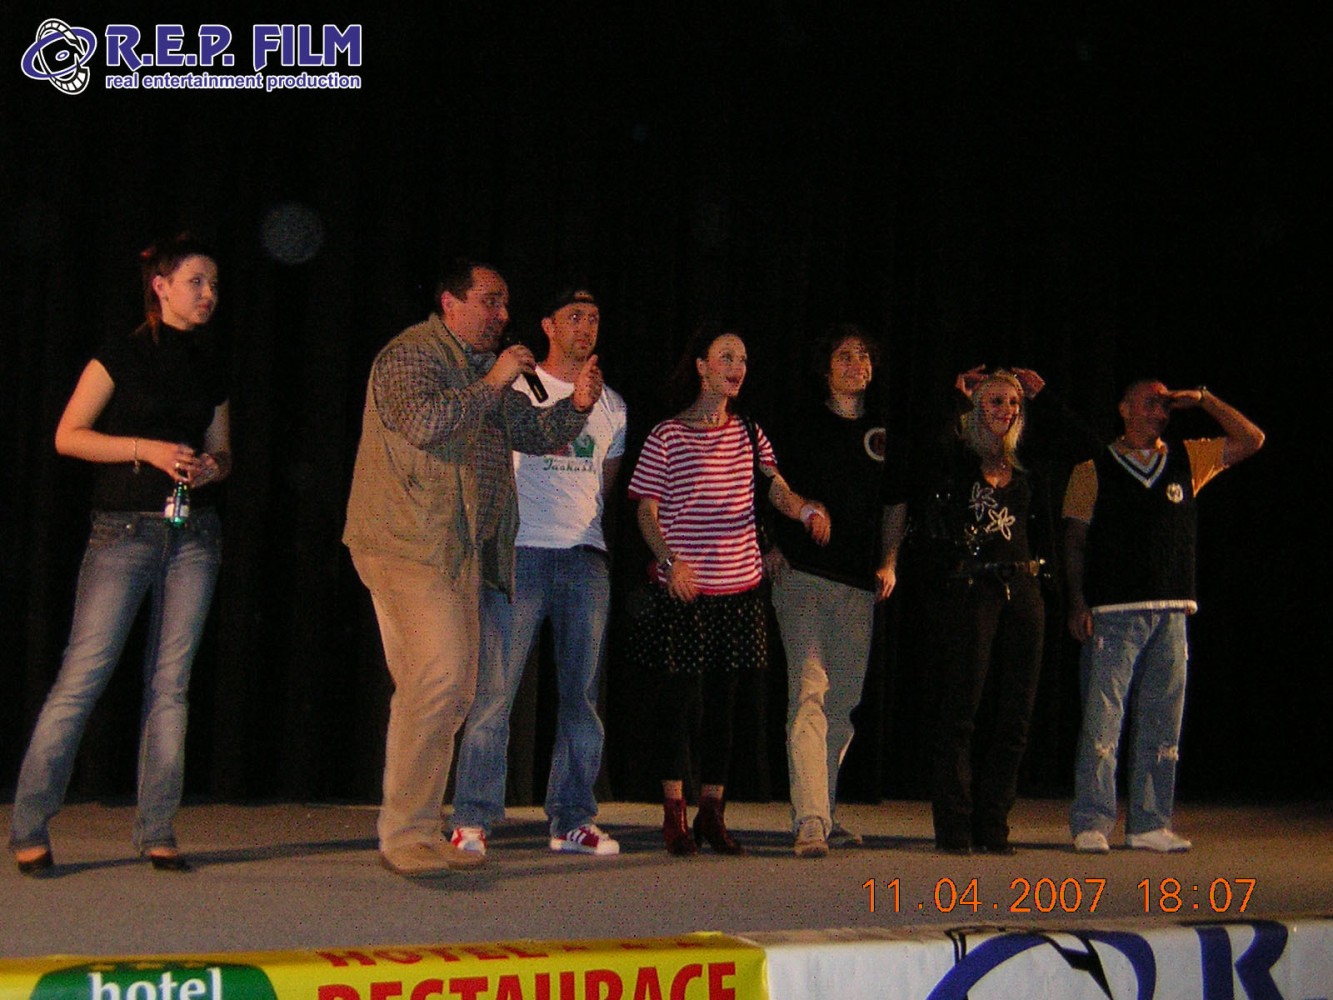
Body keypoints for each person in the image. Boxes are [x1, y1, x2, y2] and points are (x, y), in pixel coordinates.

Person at [343, 259, 603, 878]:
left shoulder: (478, 368)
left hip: (459, 549)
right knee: (435, 680)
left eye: (505, 303)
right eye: (491, 301)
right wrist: (495, 379)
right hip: (407, 542)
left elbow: (533, 432)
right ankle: (404, 834)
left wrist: (578, 407)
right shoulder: (410, 356)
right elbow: (428, 423)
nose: (503, 315)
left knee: (454, 691)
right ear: (450, 303)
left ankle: (420, 827)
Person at [10, 235, 231, 875]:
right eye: (196, 282)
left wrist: (211, 466)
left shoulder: (212, 363)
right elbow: (68, 436)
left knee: (172, 685)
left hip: (194, 534)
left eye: (214, 285)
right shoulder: (120, 353)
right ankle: (29, 825)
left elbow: (224, 450)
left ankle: (157, 827)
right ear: (161, 286)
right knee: (83, 677)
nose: (208, 294)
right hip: (123, 532)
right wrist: (147, 449)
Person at [627, 323, 830, 856]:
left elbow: (776, 489)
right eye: (725, 357)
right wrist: (670, 562)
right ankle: (674, 813)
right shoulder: (667, 435)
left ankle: (712, 813)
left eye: (741, 358)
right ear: (701, 366)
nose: (736, 367)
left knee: (726, 707)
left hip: (740, 590)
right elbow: (646, 511)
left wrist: (805, 509)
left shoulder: (749, 432)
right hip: (686, 589)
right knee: (679, 706)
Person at [449, 288, 627, 858]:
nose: (586, 327)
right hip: (521, 551)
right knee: (494, 692)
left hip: (584, 557)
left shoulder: (613, 405)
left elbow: (605, 482)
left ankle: (572, 819)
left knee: (581, 695)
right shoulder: (519, 388)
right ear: (548, 325)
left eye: (594, 318)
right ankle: (472, 818)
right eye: (574, 317)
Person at [1066, 380, 1264, 854]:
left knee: (1162, 718)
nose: (1160, 411)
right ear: (1124, 408)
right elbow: (1073, 541)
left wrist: (1206, 399)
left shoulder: (1187, 459)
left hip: (1172, 610)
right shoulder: (1092, 468)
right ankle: (1092, 819)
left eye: (1165, 404)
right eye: (1150, 402)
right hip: (1114, 611)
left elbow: (1252, 440)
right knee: (1102, 720)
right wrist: (1077, 602)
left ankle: (1150, 821)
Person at [767, 325, 907, 858]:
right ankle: (809, 819)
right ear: (826, 368)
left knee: (844, 704)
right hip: (803, 574)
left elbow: (895, 503)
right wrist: (770, 542)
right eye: (845, 356)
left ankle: (823, 808)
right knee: (809, 693)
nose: (856, 364)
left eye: (863, 356)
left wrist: (889, 561)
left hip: (857, 583)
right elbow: (768, 482)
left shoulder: (882, 431)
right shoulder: (801, 423)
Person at [915, 367, 1051, 854]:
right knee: (962, 709)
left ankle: (994, 822)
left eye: (1012, 403)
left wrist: (1042, 397)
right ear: (976, 409)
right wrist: (956, 396)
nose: (1005, 411)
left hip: (1024, 587)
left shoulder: (1028, 463)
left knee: (1016, 713)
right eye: (995, 401)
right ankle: (955, 824)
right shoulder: (958, 461)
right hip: (973, 588)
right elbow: (924, 452)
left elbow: (1084, 444)